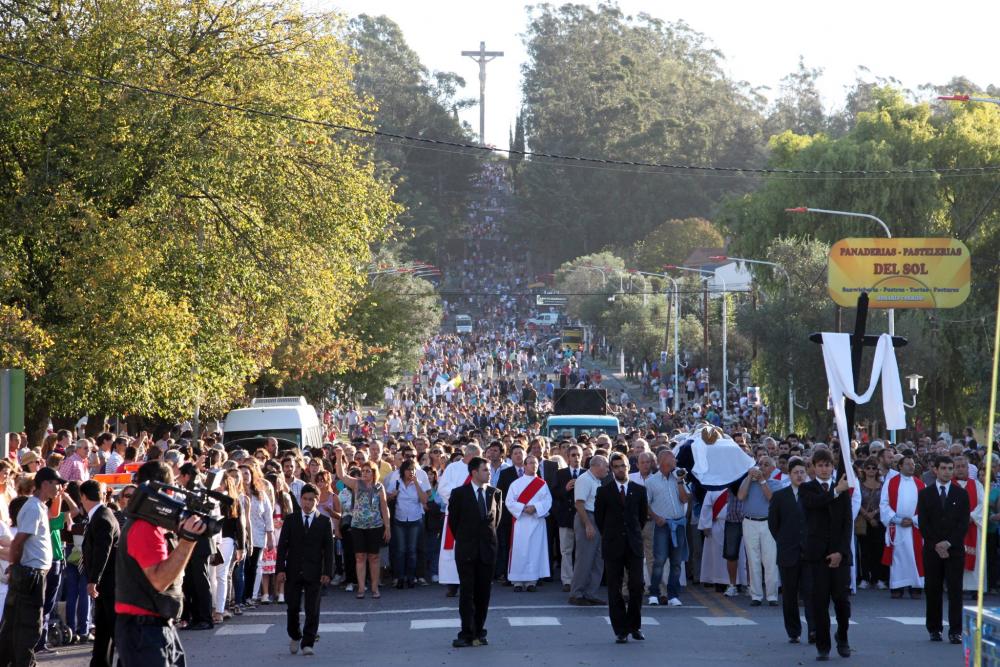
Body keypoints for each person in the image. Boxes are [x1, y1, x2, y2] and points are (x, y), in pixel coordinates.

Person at [114, 461, 207, 667]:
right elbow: (159, 580)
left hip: (151, 626)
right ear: (166, 492)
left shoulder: (147, 525)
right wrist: (188, 540)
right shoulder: (144, 527)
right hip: (144, 630)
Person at [0, 466, 66, 666]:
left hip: (32, 573)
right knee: (28, 627)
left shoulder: (39, 507)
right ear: (45, 484)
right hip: (30, 575)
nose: (58, 489)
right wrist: (14, 566)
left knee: (16, 627)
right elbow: (19, 541)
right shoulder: (33, 507)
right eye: (56, 484)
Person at [800, 449, 853, 661]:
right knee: (819, 602)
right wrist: (835, 492)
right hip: (817, 555)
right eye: (820, 465)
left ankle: (842, 636)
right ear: (813, 467)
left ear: (832, 466)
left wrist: (840, 551)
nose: (824, 469)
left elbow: (847, 523)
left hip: (838, 555)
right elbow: (814, 504)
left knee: (841, 601)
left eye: (827, 465)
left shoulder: (842, 490)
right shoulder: (806, 488)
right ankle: (823, 645)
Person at [595, 452, 648, 644]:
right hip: (613, 545)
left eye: (623, 466)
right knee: (614, 588)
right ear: (611, 469)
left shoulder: (639, 490)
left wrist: (632, 534)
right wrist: (612, 534)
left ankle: (635, 626)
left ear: (628, 466)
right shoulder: (604, 491)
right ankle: (621, 629)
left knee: (637, 585)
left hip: (633, 544)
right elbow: (599, 519)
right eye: (616, 466)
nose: (620, 469)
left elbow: (641, 518)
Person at [275, 483, 334, 656]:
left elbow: (328, 550)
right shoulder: (291, 520)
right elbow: (282, 547)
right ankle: (295, 634)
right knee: (292, 607)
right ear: (300, 499)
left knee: (312, 609)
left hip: (314, 572)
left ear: (317, 501)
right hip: (293, 570)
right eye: (305, 499)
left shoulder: (324, 521)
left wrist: (327, 572)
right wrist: (280, 569)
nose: (308, 503)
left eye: (311, 500)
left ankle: (308, 642)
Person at [448, 456, 501, 648]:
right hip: (467, 551)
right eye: (485, 470)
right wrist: (467, 540)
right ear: (474, 473)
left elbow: (496, 522)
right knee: (467, 593)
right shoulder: (459, 494)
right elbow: (454, 522)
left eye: (489, 469)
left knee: (483, 593)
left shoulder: (495, 493)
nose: (489, 472)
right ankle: (466, 633)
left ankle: (479, 630)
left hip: (487, 551)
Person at [916, 455, 969, 644]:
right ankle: (934, 628)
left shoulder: (961, 494)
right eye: (944, 468)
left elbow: (963, 524)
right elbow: (923, 523)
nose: (947, 471)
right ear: (935, 470)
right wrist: (936, 543)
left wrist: (949, 543)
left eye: (950, 468)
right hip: (932, 549)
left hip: (954, 550)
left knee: (955, 590)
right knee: (933, 589)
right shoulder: (925, 494)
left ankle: (955, 631)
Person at [767, 457, 813, 644]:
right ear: (790, 475)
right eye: (796, 472)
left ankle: (814, 630)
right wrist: (784, 541)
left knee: (811, 593)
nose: (799, 475)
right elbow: (773, 524)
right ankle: (794, 631)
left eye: (802, 472)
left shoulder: (813, 494)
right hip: (788, 552)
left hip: (810, 553)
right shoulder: (780, 496)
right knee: (789, 594)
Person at [334, 449, 390, 598]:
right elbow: (341, 475)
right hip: (358, 525)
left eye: (368, 471)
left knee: (374, 557)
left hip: (375, 526)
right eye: (363, 471)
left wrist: (387, 527)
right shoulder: (356, 484)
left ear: (374, 473)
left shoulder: (379, 487)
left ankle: (374, 588)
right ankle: (361, 588)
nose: (365, 473)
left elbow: (384, 508)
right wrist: (339, 457)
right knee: (360, 557)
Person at [81, 479, 120, 667]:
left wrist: (93, 580)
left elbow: (102, 551)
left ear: (83, 497)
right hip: (106, 583)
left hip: (108, 583)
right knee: (104, 628)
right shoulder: (101, 515)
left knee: (114, 629)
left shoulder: (103, 518)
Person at [737, 455, 783, 606]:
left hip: (768, 523)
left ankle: (772, 596)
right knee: (753, 559)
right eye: (760, 464)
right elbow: (741, 496)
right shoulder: (749, 481)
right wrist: (749, 477)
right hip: (749, 522)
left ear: (772, 468)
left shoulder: (776, 483)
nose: (762, 467)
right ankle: (756, 595)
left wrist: (762, 480)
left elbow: (771, 498)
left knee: (770, 560)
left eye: (766, 464)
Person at [645, 449, 689, 607]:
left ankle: (673, 595)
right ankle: (654, 593)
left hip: (678, 524)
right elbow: (646, 504)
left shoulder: (678, 478)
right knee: (659, 560)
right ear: (664, 462)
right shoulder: (651, 482)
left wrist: (680, 482)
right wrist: (656, 518)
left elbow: (685, 499)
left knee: (677, 562)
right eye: (673, 460)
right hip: (662, 526)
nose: (676, 463)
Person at [880, 454, 925, 598]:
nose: (911, 466)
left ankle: (915, 586)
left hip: (914, 527)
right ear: (900, 466)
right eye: (908, 464)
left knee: (915, 556)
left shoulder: (920, 484)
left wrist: (913, 520)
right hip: (897, 526)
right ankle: (897, 586)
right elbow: (884, 504)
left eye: (913, 464)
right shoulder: (891, 482)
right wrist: (898, 520)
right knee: (897, 557)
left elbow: (926, 507)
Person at [437, 444, 480, 597]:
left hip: (474, 516)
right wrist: (461, 499)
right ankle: (453, 584)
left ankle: (471, 583)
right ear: (469, 455)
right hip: (456, 515)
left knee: (471, 550)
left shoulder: (480, 468)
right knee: (452, 551)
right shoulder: (453, 468)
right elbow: (442, 488)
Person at [505, 454, 552, 591]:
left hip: (536, 521)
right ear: (524, 466)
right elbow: (509, 502)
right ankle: (518, 582)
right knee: (520, 550)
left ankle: (532, 581)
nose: (534, 465)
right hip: (521, 522)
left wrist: (535, 508)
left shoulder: (542, 484)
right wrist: (523, 508)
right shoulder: (516, 484)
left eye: (536, 463)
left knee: (534, 550)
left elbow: (548, 501)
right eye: (531, 463)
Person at [569, 455, 608, 606]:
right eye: (605, 466)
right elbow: (579, 504)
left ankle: (590, 593)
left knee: (598, 559)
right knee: (585, 559)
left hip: (596, 519)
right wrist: (588, 524)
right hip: (587, 518)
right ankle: (577, 593)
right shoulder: (585, 479)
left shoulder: (596, 480)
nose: (607, 469)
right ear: (597, 465)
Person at [952, 456, 984, 596]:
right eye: (957, 466)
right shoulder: (948, 485)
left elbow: (983, 504)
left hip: (973, 527)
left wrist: (971, 517)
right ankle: (956, 586)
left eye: (962, 466)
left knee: (976, 558)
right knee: (955, 557)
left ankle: (975, 588)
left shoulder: (977, 485)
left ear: (968, 468)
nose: (960, 469)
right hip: (954, 528)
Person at [553, 445, 583, 592]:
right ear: (567, 457)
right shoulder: (560, 474)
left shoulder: (586, 473)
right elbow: (555, 494)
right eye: (573, 455)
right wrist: (565, 489)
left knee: (581, 551)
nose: (576, 458)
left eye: (578, 455)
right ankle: (567, 580)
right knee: (566, 550)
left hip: (582, 518)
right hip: (565, 517)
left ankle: (580, 578)